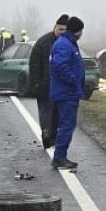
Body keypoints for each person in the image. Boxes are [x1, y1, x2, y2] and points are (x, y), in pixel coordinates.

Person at [49, 16, 86, 170]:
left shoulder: (68, 43)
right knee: (67, 125)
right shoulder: (65, 45)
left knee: (67, 124)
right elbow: (60, 66)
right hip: (66, 92)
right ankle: (59, 157)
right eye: (81, 31)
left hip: (68, 92)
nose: (82, 33)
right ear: (77, 31)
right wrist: (73, 81)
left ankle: (60, 156)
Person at [29, 14, 69, 148]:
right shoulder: (43, 42)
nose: (62, 32)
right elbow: (34, 63)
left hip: (60, 85)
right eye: (60, 29)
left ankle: (52, 136)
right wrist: (35, 82)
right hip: (44, 84)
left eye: (65, 30)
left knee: (57, 113)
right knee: (45, 110)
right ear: (55, 28)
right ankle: (46, 133)